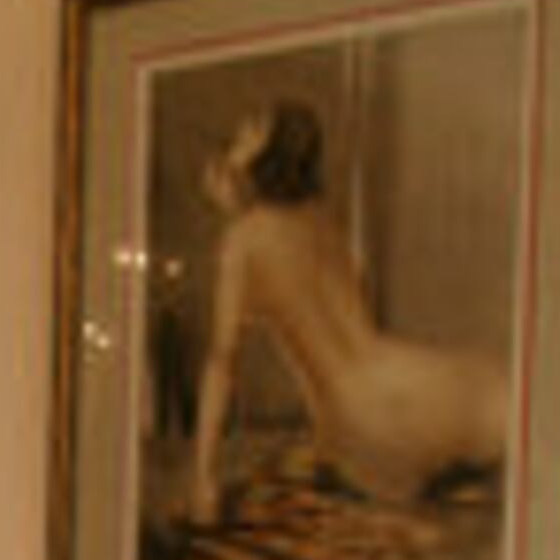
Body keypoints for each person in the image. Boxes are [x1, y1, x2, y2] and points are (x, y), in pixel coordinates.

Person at [184, 100, 513, 525]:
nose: (241, 128)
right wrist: (237, 206)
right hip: (409, 380)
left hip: (362, 430)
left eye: (254, 126)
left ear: (268, 150)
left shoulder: (243, 241)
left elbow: (221, 361)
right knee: (513, 401)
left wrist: (202, 479)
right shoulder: (323, 221)